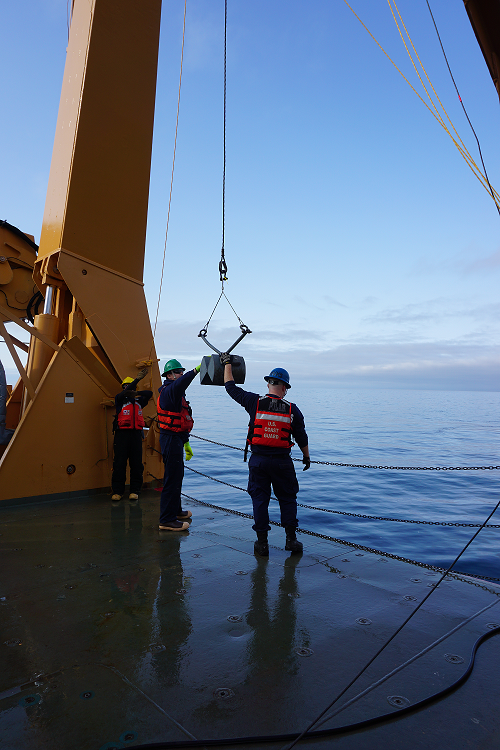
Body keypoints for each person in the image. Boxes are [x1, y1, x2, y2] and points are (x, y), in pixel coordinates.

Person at [223, 357, 310, 556]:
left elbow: (230, 387)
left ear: (268, 383)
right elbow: (301, 436)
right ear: (285, 388)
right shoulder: (292, 409)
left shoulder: (254, 402)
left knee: (260, 500)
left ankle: (262, 544)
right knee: (287, 499)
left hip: (259, 461)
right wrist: (306, 457)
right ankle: (291, 540)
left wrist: (227, 364)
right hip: (282, 462)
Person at [157, 358, 201, 531]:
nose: (181, 374)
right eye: (178, 372)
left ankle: (175, 511)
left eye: (182, 371)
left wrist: (186, 443)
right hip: (169, 439)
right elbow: (182, 383)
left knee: (178, 476)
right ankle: (166, 520)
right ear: (170, 375)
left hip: (176, 438)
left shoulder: (176, 393)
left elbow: (181, 421)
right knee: (171, 478)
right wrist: (195, 371)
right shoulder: (170, 390)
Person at [111, 368, 152, 501]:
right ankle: (117, 492)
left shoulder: (139, 402)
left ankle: (135, 491)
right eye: (125, 386)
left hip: (135, 435)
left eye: (129, 386)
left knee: (136, 465)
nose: (127, 388)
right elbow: (125, 393)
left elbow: (149, 393)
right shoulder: (119, 400)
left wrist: (137, 392)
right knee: (119, 464)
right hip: (121, 435)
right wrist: (138, 379)